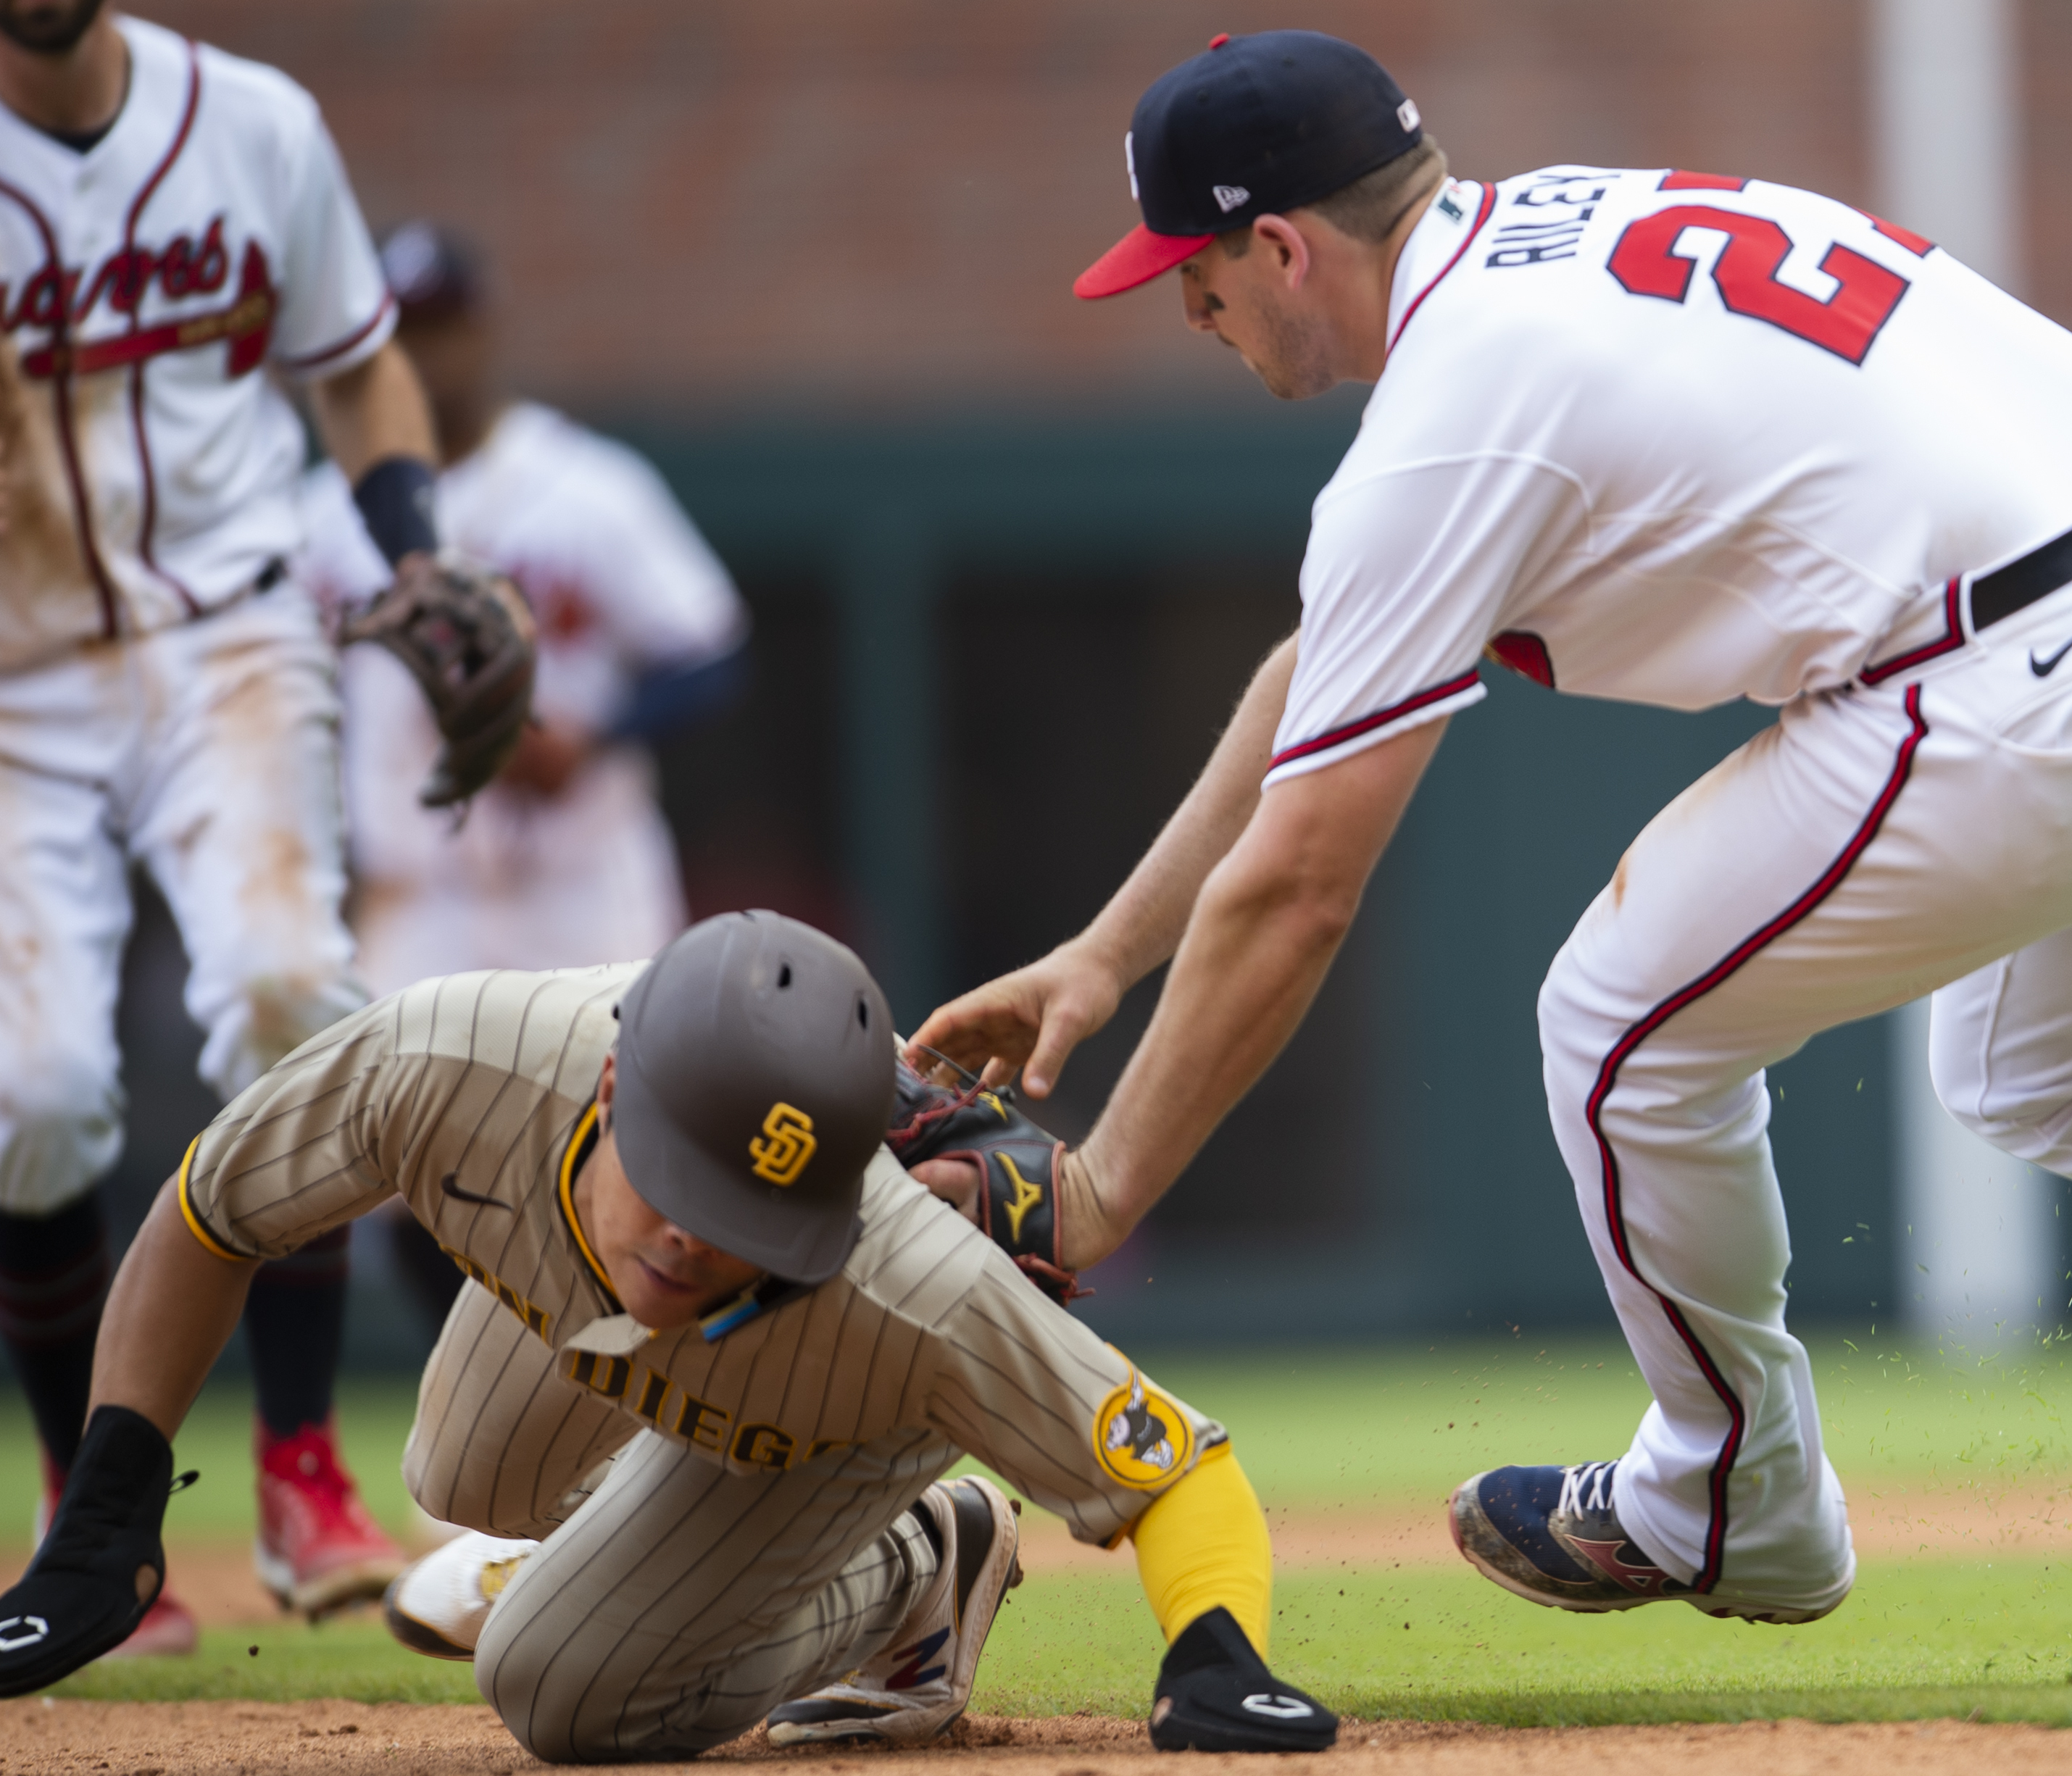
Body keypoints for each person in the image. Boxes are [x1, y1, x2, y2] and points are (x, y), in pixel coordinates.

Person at [915, 30, 2072, 1671]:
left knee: (1612, 1026)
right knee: (2046, 1060)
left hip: (2034, 672)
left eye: (1190, 269)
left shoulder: (1447, 412)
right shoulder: (1559, 238)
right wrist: (1104, 953)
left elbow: (1300, 885)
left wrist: (1106, 1186)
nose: (1186, 303)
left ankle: (1733, 1500)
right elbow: (1328, 666)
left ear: (1279, 246)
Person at [0, 911, 1339, 1759]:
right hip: (575, 1274)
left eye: (751, 1215)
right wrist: (106, 1516)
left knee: (563, 1692)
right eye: (687, 1183)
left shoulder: (906, 1283)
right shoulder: (454, 1060)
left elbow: (1177, 1470)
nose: (696, 1237)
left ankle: (926, 1559)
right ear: (606, 1083)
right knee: (459, 1474)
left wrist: (1215, 1658)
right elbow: (208, 1213)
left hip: (842, 1394)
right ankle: (643, 1555)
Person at [0, 0, 465, 1645]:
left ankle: (298, 1464)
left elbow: (358, 367)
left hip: (228, 637)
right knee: (33, 1091)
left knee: (289, 998)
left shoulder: (252, 119)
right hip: (11, 673)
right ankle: (87, 1509)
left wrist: (410, 552)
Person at [293, 220, 749, 1337]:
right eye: (410, 335)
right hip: (422, 887)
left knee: (644, 1145)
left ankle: (633, 1400)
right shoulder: (320, 521)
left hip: (582, 880)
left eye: (446, 329)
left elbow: (713, 652)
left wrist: (593, 736)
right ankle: (488, 1401)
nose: (431, 359)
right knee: (403, 1160)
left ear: (482, 328)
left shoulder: (585, 486)